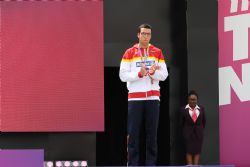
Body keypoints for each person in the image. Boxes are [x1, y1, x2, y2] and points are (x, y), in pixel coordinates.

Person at [119, 23, 168, 166]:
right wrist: (139, 74)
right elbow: (122, 75)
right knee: (133, 134)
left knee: (151, 134)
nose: (146, 36)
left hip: (153, 97)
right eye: (143, 33)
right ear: (138, 35)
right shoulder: (129, 52)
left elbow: (164, 74)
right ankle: (133, 164)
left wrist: (154, 73)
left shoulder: (157, 52)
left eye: (148, 34)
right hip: (135, 98)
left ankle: (150, 164)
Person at [180, 90, 206, 165]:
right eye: (191, 99)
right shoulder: (183, 109)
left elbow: (204, 122)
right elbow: (181, 123)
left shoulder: (202, 109)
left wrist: (199, 130)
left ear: (197, 100)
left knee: (197, 151)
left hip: (198, 134)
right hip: (187, 134)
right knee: (188, 152)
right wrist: (185, 132)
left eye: (194, 99)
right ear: (188, 100)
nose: (192, 101)